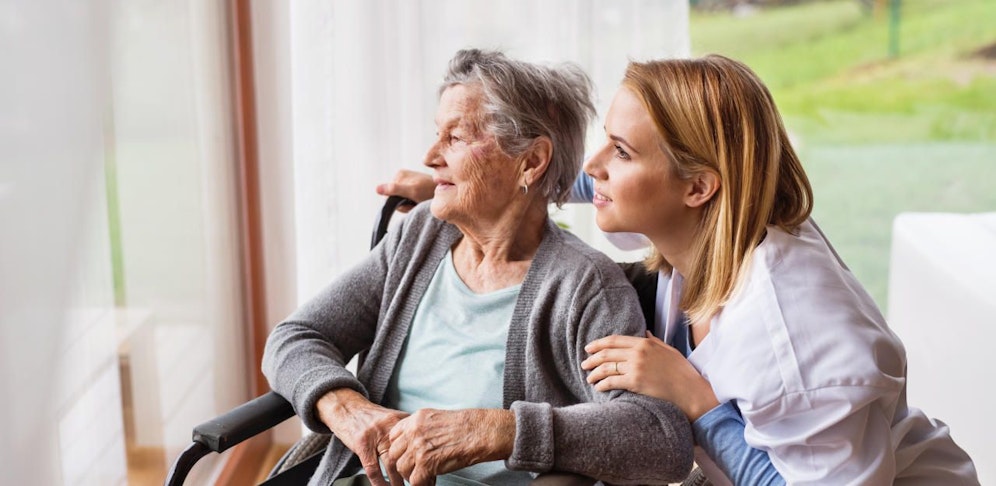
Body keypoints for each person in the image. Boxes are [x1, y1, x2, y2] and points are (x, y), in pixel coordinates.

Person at [377, 55, 980, 485]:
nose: (593, 166)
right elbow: (597, 179)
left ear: (697, 186)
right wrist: (475, 182)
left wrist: (696, 400)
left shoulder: (796, 332)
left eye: (620, 150)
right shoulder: (711, 223)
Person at [263, 48, 694, 486]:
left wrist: (499, 430)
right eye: (437, 134)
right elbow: (295, 337)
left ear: (530, 161)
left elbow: (660, 439)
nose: (431, 156)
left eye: (456, 138)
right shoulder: (419, 239)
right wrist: (349, 411)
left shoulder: (581, 285)